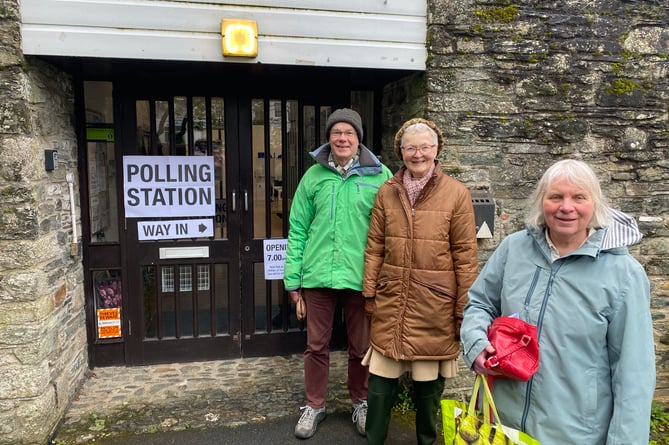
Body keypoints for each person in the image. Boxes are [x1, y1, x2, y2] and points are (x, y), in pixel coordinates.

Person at [460, 159, 656, 445]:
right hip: (501, 426)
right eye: (555, 197)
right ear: (542, 202)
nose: (566, 207)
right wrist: (476, 343)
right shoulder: (513, 249)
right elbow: (480, 304)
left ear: (595, 204)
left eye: (579, 197)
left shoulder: (624, 275)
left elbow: (633, 377)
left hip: (573, 435)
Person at [362, 118, 479, 445]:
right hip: (392, 300)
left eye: (425, 147)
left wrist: (462, 310)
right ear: (401, 151)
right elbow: (374, 246)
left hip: (435, 305)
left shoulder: (457, 194)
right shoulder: (387, 192)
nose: (418, 154)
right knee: (380, 383)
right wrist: (369, 293)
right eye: (411, 148)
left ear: (436, 149)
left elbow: (466, 257)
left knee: (429, 389)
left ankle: (427, 441)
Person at [283, 108, 393, 440]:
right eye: (336, 133)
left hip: (362, 278)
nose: (342, 138)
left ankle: (360, 402)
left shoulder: (381, 176)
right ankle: (314, 405)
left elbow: (392, 229)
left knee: (361, 347)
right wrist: (293, 280)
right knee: (316, 346)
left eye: (349, 133)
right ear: (328, 138)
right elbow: (298, 229)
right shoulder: (313, 177)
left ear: (359, 139)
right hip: (317, 277)